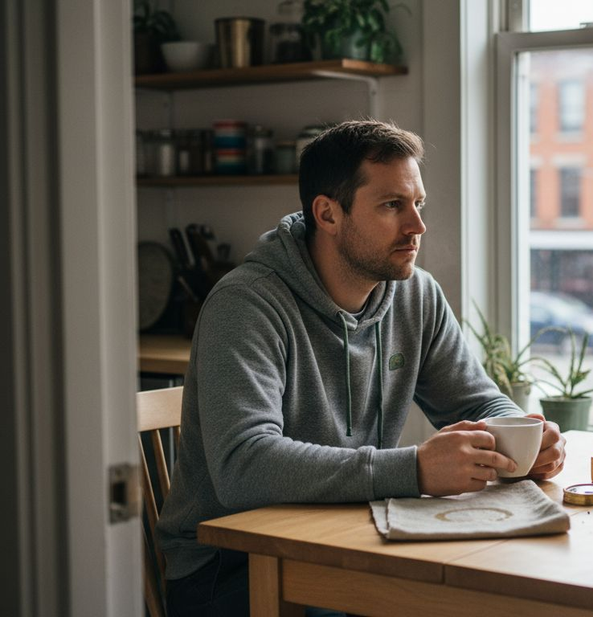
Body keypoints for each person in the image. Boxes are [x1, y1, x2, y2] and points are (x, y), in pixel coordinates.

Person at [157, 120, 566, 616]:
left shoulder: (415, 294)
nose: (416, 226)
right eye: (393, 205)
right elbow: (244, 466)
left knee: (497, 593)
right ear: (328, 214)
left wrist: (524, 436)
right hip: (229, 566)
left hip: (350, 536)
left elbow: (477, 400)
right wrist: (413, 468)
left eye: (418, 204)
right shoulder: (245, 306)